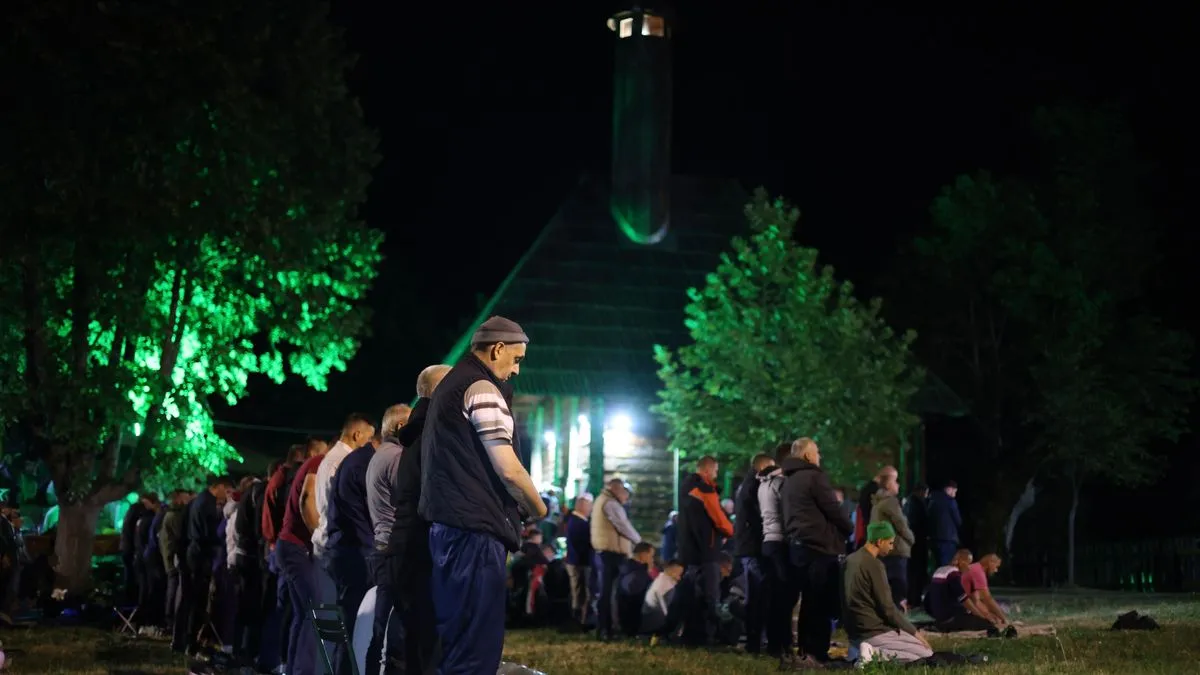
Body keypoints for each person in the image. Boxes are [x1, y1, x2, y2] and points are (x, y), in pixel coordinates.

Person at [419, 316, 547, 674]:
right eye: (517, 359)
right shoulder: (481, 388)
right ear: (498, 349)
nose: (517, 370)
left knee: (456, 635)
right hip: (474, 532)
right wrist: (538, 507)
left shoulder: (451, 386)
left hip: (450, 528)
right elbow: (508, 468)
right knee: (475, 643)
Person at [388, 365, 450, 675]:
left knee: (416, 638)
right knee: (429, 640)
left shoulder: (413, 436)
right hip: (423, 545)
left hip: (405, 542)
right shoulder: (436, 436)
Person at [780, 438, 854, 667]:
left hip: (798, 547)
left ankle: (805, 649)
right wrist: (848, 529)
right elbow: (833, 509)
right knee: (820, 603)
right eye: (817, 452)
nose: (819, 456)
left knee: (807, 603)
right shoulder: (814, 477)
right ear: (808, 455)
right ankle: (818, 652)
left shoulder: (789, 480)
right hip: (819, 547)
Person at [365, 401, 416, 675]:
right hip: (394, 548)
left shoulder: (379, 454)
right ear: (400, 427)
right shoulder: (396, 457)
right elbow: (409, 498)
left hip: (381, 546)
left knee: (382, 625)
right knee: (394, 626)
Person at [327, 427, 383, 675]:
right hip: (357, 555)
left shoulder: (356, 460)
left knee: (348, 628)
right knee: (354, 627)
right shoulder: (364, 463)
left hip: (347, 552)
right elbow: (365, 518)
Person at [663, 456, 735, 646]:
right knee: (711, 597)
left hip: (689, 550)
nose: (716, 475)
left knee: (689, 593)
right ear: (707, 470)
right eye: (715, 471)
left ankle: (679, 633)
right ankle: (712, 637)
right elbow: (720, 520)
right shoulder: (704, 489)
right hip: (707, 550)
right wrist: (730, 530)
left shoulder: (686, 487)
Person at [313, 413, 377, 616]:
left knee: (335, 611)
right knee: (346, 613)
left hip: (329, 540)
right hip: (340, 541)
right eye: (368, 439)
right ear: (357, 435)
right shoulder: (345, 461)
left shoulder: (330, 458)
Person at [843, 521, 933, 665]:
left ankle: (858, 650)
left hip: (855, 632)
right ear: (879, 541)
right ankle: (875, 654)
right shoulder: (874, 565)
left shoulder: (850, 560)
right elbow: (888, 608)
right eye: (890, 543)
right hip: (873, 631)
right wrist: (916, 634)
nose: (892, 548)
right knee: (926, 653)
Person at [277, 442, 331, 675]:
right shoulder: (319, 463)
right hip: (298, 546)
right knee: (315, 608)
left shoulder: (310, 464)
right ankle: (303, 671)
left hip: (289, 545)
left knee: (302, 614)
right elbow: (307, 499)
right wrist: (318, 536)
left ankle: (293, 668)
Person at [176, 476, 233, 656]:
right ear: (220, 487)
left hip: (192, 553)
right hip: (200, 555)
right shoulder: (207, 504)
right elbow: (209, 533)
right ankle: (191, 642)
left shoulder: (197, 501)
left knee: (189, 598)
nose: (227, 496)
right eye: (227, 491)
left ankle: (182, 641)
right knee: (197, 600)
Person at [733, 453, 776, 654]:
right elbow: (760, 518)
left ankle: (754, 641)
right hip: (754, 548)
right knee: (758, 596)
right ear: (762, 467)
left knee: (755, 596)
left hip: (748, 548)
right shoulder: (755, 488)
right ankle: (755, 642)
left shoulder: (746, 486)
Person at [591, 479, 641, 640]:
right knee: (610, 593)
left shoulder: (602, 500)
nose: (627, 496)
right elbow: (623, 525)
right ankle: (607, 629)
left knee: (606, 592)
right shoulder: (611, 503)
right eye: (625, 492)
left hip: (605, 553)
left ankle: (605, 628)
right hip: (611, 554)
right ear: (617, 489)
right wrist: (639, 541)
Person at [756, 442, 791, 658]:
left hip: (768, 539)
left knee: (773, 596)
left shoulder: (763, 483)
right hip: (780, 542)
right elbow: (788, 514)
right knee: (784, 597)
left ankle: (773, 643)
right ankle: (782, 644)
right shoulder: (781, 483)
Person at [870, 469, 915, 609]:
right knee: (898, 588)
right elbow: (901, 524)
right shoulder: (890, 502)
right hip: (896, 550)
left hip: (884, 550)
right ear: (889, 484)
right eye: (895, 481)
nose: (898, 485)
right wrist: (911, 539)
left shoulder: (877, 503)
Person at [924, 550, 999, 632]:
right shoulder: (953, 573)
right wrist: (980, 616)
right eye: (968, 563)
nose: (968, 567)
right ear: (961, 561)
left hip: (937, 615)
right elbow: (963, 598)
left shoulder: (939, 570)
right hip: (949, 616)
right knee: (986, 624)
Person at [562, 493, 594, 627]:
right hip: (579, 562)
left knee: (579, 592)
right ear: (582, 505)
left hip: (577, 561)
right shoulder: (578, 522)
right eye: (589, 505)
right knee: (579, 593)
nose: (591, 508)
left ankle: (579, 619)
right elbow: (583, 544)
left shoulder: (574, 520)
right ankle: (579, 620)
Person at [903, 483, 930, 607]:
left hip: (911, 543)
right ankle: (915, 599)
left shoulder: (907, 503)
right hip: (918, 542)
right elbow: (922, 523)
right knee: (917, 572)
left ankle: (912, 598)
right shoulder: (918, 504)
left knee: (912, 571)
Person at [927, 481, 962, 567]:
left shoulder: (932, 501)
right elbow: (958, 520)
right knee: (947, 566)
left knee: (937, 565)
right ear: (948, 489)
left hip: (934, 539)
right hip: (948, 539)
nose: (955, 494)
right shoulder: (950, 502)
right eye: (954, 491)